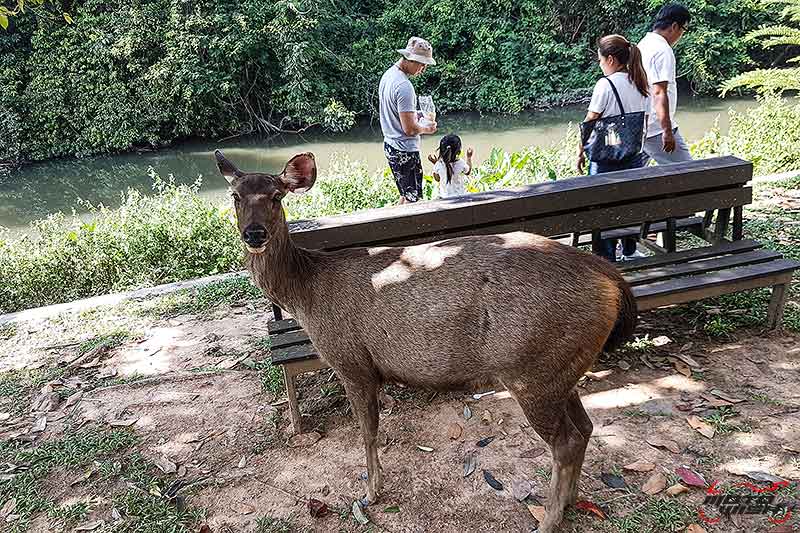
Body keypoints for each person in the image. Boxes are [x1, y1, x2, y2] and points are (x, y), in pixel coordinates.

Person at [577, 34, 650, 262]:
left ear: (610, 59)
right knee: (628, 203)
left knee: (601, 209)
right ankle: (629, 250)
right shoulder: (639, 81)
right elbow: (644, 122)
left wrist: (579, 152)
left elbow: (590, 122)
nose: (599, 64)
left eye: (599, 59)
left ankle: (605, 259)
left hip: (606, 158)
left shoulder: (605, 85)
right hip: (633, 155)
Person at [379, 37, 438, 204]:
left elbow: (395, 112)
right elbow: (410, 130)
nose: (424, 68)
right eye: (422, 64)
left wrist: (417, 115)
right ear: (411, 59)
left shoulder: (388, 75)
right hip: (404, 151)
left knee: (405, 196)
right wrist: (428, 128)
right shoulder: (404, 86)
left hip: (391, 146)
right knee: (414, 201)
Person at [638, 3, 692, 164]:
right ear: (674, 26)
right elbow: (659, 92)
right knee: (688, 172)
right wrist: (667, 130)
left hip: (641, 125)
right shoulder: (662, 50)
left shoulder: (644, 44)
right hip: (655, 128)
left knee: (634, 175)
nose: (681, 35)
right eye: (684, 29)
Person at [428, 134, 473, 198]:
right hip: (460, 198)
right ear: (459, 151)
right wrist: (469, 157)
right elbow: (468, 172)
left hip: (444, 198)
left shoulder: (439, 164)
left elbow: (437, 179)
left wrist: (435, 163)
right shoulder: (461, 163)